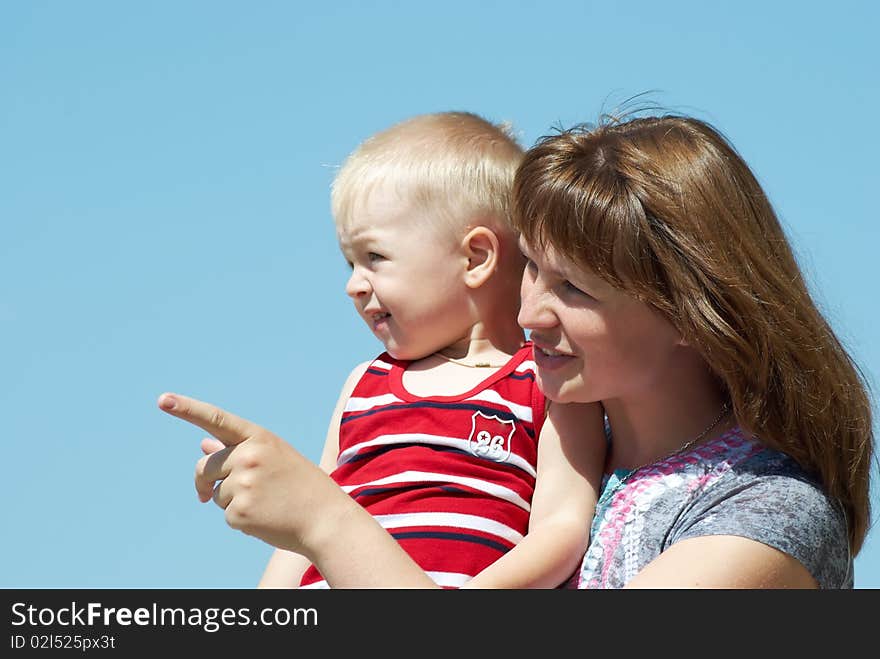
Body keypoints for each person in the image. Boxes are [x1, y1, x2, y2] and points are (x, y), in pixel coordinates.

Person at [159, 110, 874, 588]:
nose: (529, 311)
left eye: (575, 289)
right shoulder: (537, 454)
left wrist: (323, 519)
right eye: (530, 267)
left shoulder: (764, 518)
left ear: (691, 311)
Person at [254, 111, 605, 589]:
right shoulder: (364, 385)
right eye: (349, 263)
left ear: (474, 258)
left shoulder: (548, 382)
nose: (354, 285)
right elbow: (308, 522)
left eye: (374, 257)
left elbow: (562, 529)